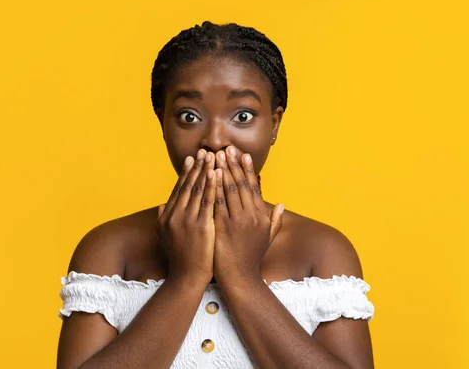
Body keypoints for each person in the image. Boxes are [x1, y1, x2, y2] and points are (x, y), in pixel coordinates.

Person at [57, 21, 375, 369]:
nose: (215, 139)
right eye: (188, 116)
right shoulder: (109, 249)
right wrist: (186, 278)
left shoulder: (323, 250)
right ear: (163, 123)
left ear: (275, 124)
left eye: (242, 115)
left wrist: (241, 277)